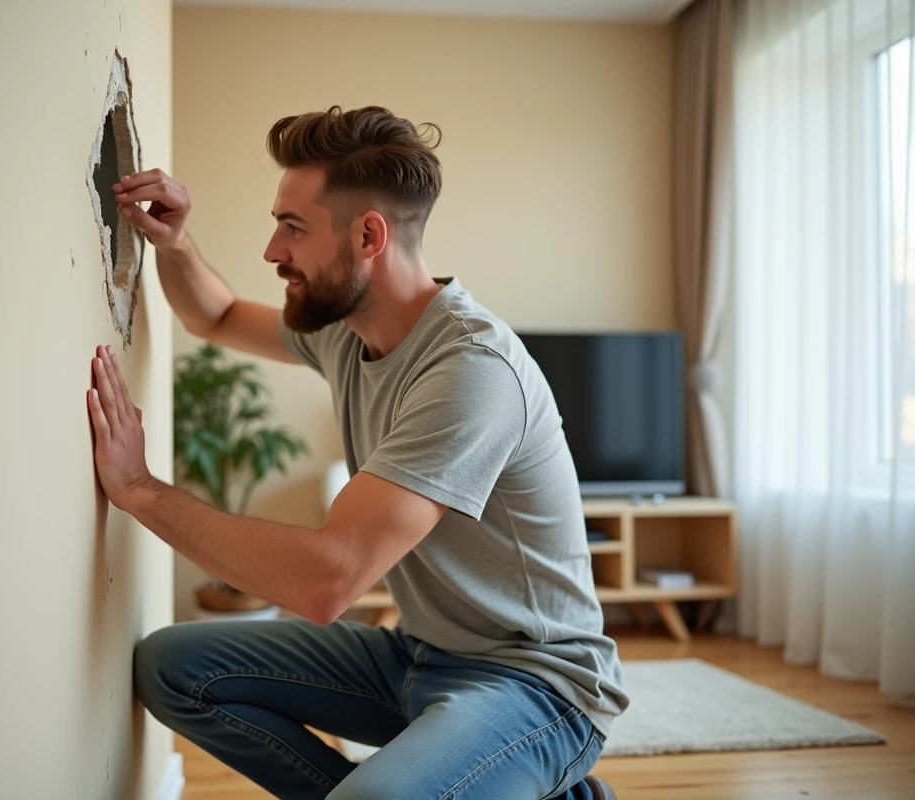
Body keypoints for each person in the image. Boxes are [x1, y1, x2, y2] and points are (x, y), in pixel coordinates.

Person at [86, 105, 627, 800]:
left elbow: (327, 581)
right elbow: (214, 315)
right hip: (419, 654)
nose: (272, 251)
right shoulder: (346, 329)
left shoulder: (471, 370)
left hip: (537, 685)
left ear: (369, 234)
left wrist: (142, 491)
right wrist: (173, 241)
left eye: (292, 227)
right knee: (170, 666)